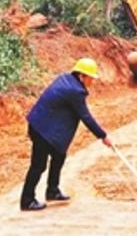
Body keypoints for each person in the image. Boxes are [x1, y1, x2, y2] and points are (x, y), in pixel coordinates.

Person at [20, 58, 112, 211]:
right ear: (82, 76)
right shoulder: (75, 91)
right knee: (38, 165)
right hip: (41, 129)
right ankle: (27, 200)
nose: (92, 81)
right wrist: (103, 136)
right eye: (91, 78)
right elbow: (86, 117)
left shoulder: (66, 80)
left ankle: (52, 190)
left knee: (59, 155)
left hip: (40, 125)